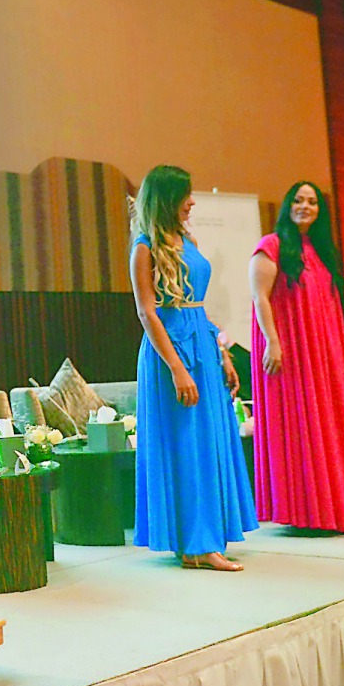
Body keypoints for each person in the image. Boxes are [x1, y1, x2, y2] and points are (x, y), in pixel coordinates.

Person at [130, 164, 258, 571]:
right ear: (167, 199)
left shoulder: (186, 239)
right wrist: (177, 368)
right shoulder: (144, 247)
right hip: (171, 350)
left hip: (201, 342)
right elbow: (148, 313)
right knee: (187, 443)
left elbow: (198, 304)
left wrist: (221, 351)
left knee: (210, 441)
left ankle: (205, 537)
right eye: (186, 195)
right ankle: (197, 544)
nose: (192, 202)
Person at [249, 182, 344, 532]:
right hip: (291, 351)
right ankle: (307, 510)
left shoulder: (319, 250)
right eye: (298, 199)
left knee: (330, 422)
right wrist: (272, 342)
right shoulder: (271, 246)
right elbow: (260, 297)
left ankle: (336, 506)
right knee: (302, 425)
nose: (305, 206)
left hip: (322, 352)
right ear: (287, 205)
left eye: (312, 202)